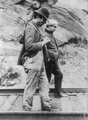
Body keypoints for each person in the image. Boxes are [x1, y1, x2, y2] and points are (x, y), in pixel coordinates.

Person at [18, 7, 51, 111]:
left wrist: (46, 55)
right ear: (39, 18)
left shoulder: (36, 26)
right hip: (32, 60)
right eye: (44, 20)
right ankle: (27, 109)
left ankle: (46, 106)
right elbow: (29, 46)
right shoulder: (31, 27)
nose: (44, 23)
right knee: (31, 86)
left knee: (44, 84)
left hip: (39, 61)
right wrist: (43, 43)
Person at [43, 19, 63, 98]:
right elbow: (43, 48)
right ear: (48, 26)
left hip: (53, 59)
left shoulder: (50, 34)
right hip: (49, 60)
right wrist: (48, 57)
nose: (55, 28)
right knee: (47, 78)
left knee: (59, 75)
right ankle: (45, 96)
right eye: (54, 27)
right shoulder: (45, 35)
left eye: (56, 27)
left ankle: (57, 94)